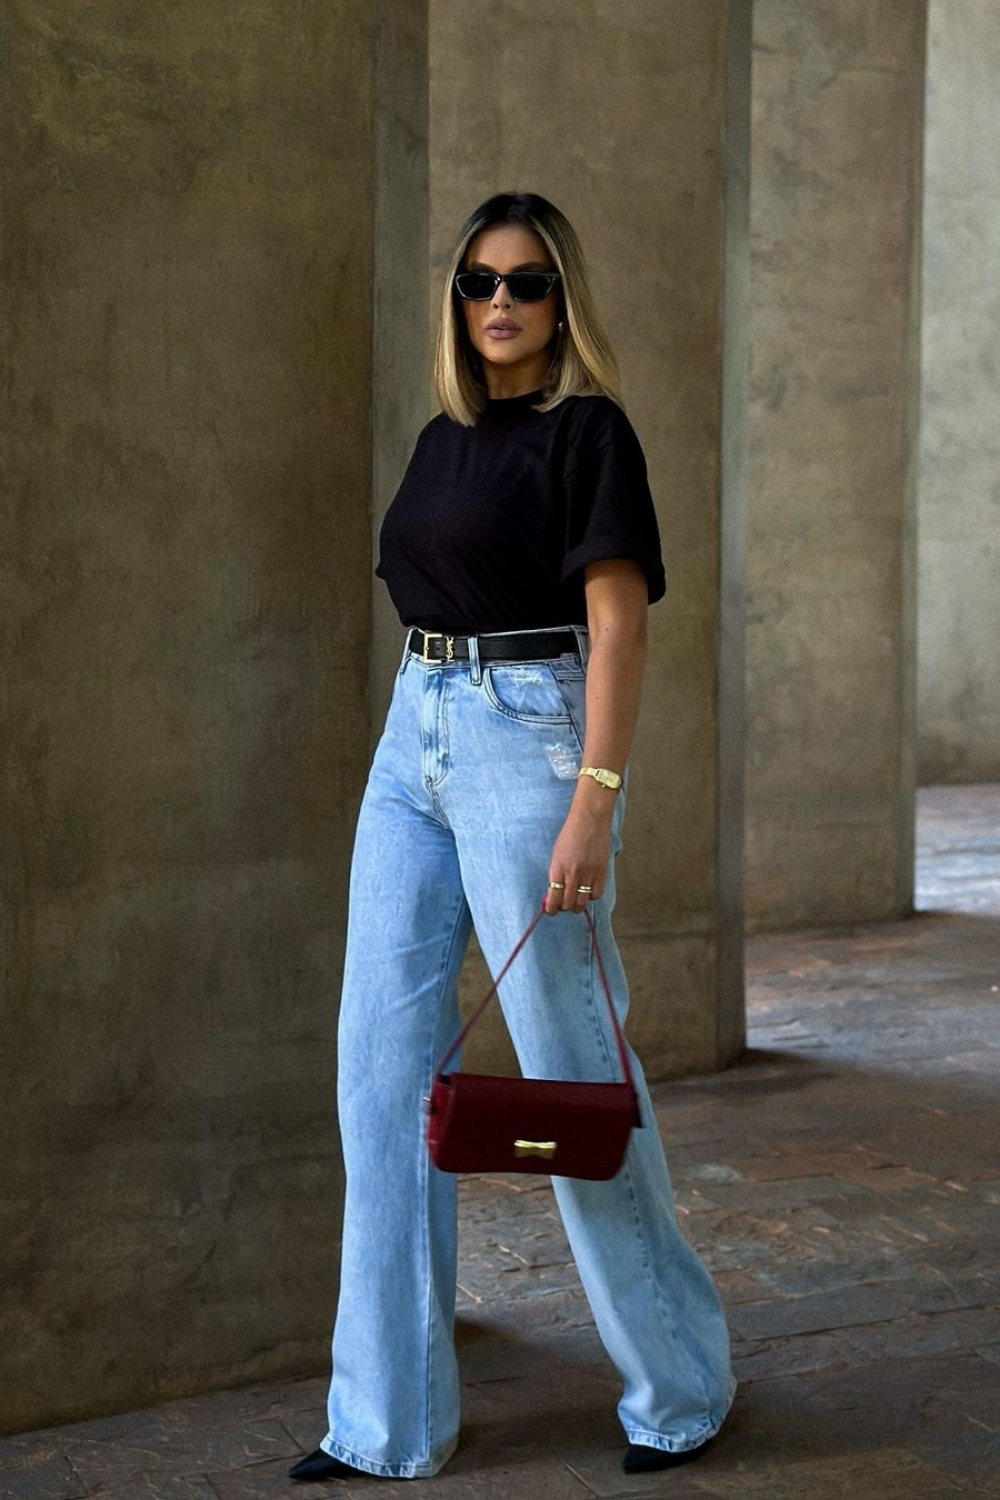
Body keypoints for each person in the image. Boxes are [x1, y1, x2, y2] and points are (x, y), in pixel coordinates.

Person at [289, 191, 736, 1483]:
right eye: (479, 283)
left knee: (571, 1067)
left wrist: (597, 789)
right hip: (411, 736)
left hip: (530, 737)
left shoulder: (589, 433)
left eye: (527, 283)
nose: (500, 304)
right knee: (378, 1076)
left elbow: (622, 625)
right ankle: (385, 1421)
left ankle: (680, 1384)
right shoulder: (443, 438)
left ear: (562, 300)